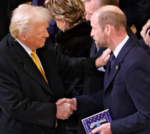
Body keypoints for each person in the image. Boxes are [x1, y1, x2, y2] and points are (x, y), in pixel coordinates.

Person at [0, 4, 110, 134]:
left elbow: (65, 65)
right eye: (41, 32)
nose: (47, 35)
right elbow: (15, 106)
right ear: (23, 35)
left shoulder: (41, 42)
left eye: (46, 29)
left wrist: (96, 62)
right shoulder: (3, 59)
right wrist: (55, 111)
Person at [57, 5, 150, 134]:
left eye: (94, 28)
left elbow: (147, 114)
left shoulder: (135, 62)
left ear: (108, 29)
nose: (91, 33)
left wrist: (112, 128)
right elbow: (113, 96)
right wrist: (76, 103)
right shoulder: (115, 54)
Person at [46, 0, 93, 133]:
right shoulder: (90, 33)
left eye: (55, 19)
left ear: (64, 20)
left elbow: (71, 82)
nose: (55, 23)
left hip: (72, 112)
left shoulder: (72, 44)